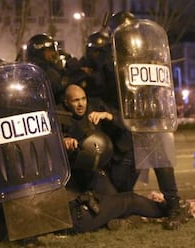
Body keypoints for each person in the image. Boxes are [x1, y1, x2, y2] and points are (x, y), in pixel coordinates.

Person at [105, 11, 185, 230]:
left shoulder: (149, 57)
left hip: (150, 122)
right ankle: (123, 208)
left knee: (163, 166)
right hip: (127, 126)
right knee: (124, 172)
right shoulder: (110, 61)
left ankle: (175, 209)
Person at [58, 83, 168, 232]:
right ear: (66, 102)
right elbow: (50, 141)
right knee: (121, 204)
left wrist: (108, 116)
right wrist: (63, 141)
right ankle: (158, 212)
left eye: (83, 99)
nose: (80, 104)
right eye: (75, 100)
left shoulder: (95, 109)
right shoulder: (59, 117)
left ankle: (164, 210)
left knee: (120, 200)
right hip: (74, 178)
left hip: (97, 173)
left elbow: (128, 124)